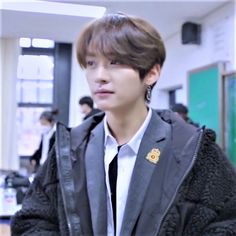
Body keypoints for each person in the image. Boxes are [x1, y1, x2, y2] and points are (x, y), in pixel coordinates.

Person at [11, 13, 236, 236]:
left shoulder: (192, 150)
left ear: (151, 73)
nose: (99, 76)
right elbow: (31, 221)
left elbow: (227, 223)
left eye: (115, 62)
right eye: (91, 63)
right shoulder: (69, 149)